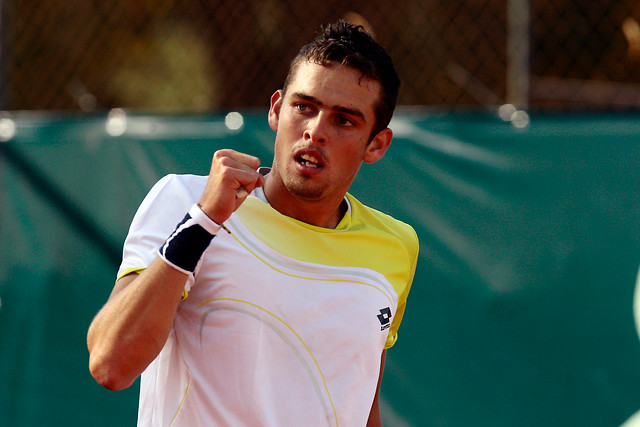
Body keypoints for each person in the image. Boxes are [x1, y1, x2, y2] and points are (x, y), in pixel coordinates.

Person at [87, 20, 419, 426]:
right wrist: (204, 221)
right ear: (277, 109)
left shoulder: (397, 247)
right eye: (305, 107)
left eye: (344, 120)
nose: (315, 131)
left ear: (377, 144)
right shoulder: (186, 200)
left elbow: (358, 399)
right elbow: (111, 364)